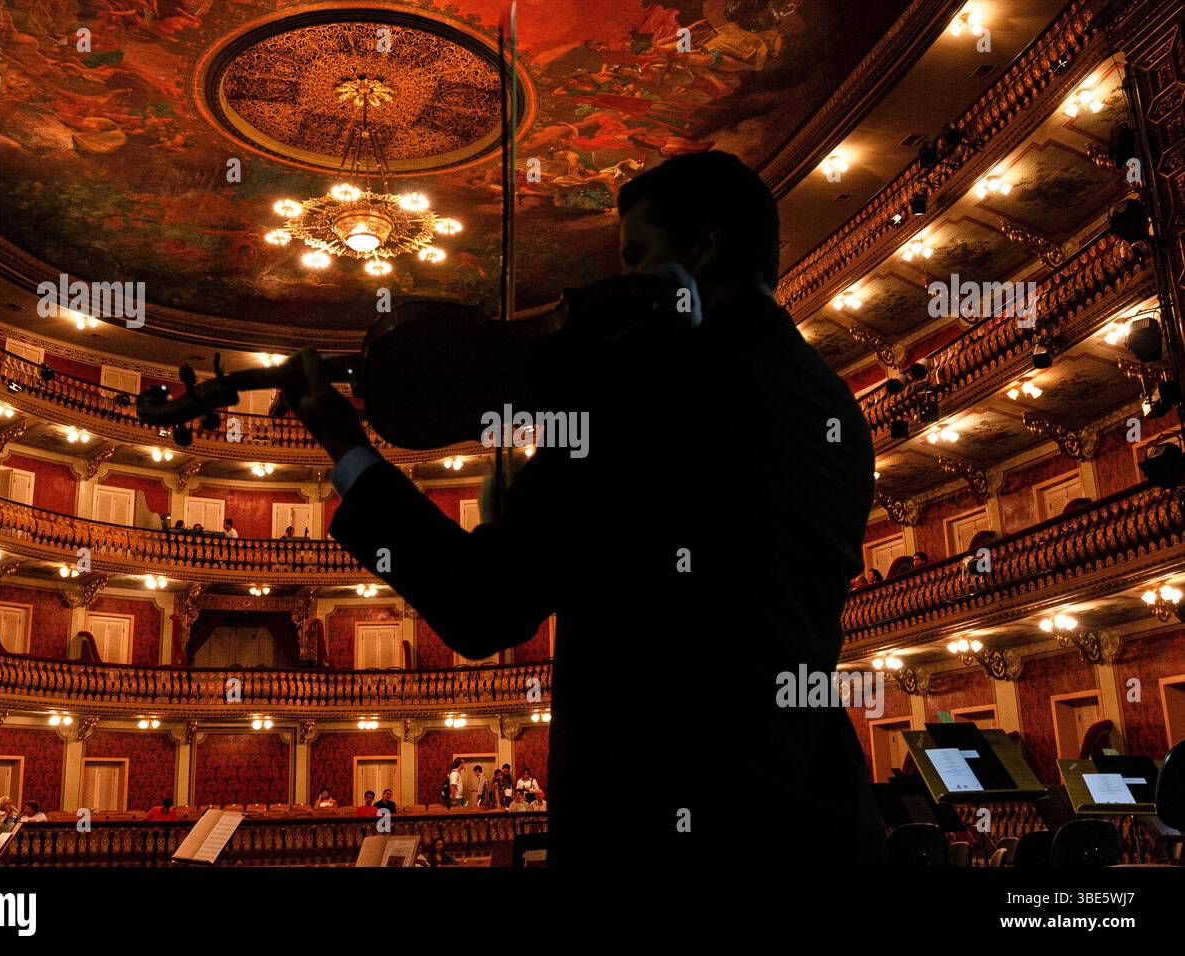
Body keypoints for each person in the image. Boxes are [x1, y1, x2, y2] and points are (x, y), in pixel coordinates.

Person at [279, 150, 885, 867]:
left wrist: (347, 446)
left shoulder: (646, 382)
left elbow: (482, 606)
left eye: (637, 256)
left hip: (654, 817)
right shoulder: (834, 408)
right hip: (812, 811)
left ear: (705, 245)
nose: (623, 285)